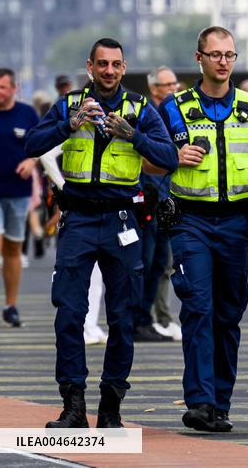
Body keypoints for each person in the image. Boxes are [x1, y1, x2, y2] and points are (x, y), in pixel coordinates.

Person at [24, 38, 178, 428]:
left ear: (124, 69)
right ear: (89, 66)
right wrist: (67, 124)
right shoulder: (69, 105)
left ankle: (111, 407)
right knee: (69, 314)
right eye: (102, 64)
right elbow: (31, 144)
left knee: (123, 317)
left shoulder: (140, 109)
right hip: (78, 220)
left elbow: (169, 157)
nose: (109, 71)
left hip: (122, 221)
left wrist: (134, 136)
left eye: (116, 65)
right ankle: (73, 405)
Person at [158, 26, 248, 433]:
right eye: (215, 54)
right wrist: (173, 156)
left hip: (237, 222)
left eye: (229, 55)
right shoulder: (173, 107)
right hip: (190, 221)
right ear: (199, 58)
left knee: (228, 314)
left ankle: (220, 402)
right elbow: (149, 163)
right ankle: (199, 400)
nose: (223, 61)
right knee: (198, 307)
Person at [0, 68, 39, 327]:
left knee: (13, 248)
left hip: (18, 192)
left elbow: (41, 145)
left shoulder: (27, 114)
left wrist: (31, 160)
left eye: (3, 87)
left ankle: (10, 305)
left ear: (14, 88)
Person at [133, 66, 180, 343]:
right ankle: (137, 318)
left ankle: (146, 318)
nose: (173, 88)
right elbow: (139, 154)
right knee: (145, 261)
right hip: (147, 197)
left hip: (168, 199)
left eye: (175, 83)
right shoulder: (146, 114)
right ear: (154, 89)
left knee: (162, 261)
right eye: (167, 84)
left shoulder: (178, 115)